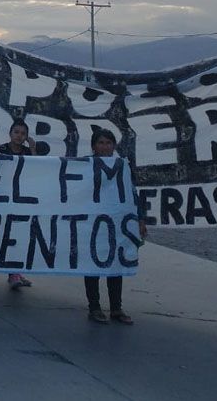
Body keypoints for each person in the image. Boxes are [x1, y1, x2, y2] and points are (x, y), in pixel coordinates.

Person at [84, 128, 145, 325]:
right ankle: (94, 306)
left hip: (117, 223)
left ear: (114, 146)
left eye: (108, 143)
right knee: (93, 265)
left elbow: (132, 195)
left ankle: (116, 307)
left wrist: (140, 219)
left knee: (116, 263)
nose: (104, 146)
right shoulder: (85, 165)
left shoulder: (123, 166)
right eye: (100, 143)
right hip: (92, 222)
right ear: (94, 146)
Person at [0, 119, 36, 290]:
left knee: (20, 235)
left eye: (23, 133)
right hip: (4, 198)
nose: (19, 136)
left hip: (22, 199)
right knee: (6, 234)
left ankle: (16, 272)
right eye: (16, 132)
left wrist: (33, 149)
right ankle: (12, 273)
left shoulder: (27, 151)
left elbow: (35, 170)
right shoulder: (0, 149)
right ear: (10, 133)